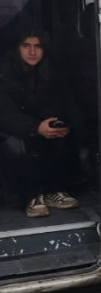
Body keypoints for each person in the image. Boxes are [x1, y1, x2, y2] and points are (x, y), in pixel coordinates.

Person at [0, 29, 81, 217]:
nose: (32, 52)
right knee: (15, 144)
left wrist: (54, 123)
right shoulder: (4, 71)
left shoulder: (49, 71)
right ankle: (32, 196)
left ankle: (54, 191)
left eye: (37, 46)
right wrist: (35, 127)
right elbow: (5, 114)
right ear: (17, 48)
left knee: (59, 134)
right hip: (8, 128)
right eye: (26, 46)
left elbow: (56, 102)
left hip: (34, 125)